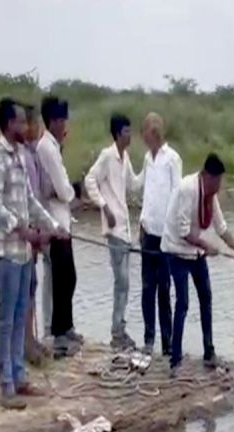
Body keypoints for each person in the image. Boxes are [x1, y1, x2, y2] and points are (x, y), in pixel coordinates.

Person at [0, 98, 68, 409]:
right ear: (9, 124)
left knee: (21, 314)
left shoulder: (22, 155)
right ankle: (6, 383)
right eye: (21, 121)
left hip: (23, 253)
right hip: (7, 252)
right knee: (6, 319)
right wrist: (22, 230)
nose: (26, 126)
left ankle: (20, 377)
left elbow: (31, 201)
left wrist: (53, 226)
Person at [162, 154, 234, 378]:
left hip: (196, 252)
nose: (219, 186)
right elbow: (184, 232)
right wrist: (207, 246)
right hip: (176, 250)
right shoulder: (187, 189)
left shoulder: (210, 197)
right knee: (183, 303)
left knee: (206, 297)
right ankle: (175, 361)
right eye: (217, 180)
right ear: (206, 176)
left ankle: (209, 352)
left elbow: (222, 229)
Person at [84, 114, 140, 351]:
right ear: (118, 134)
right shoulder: (107, 156)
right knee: (122, 280)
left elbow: (133, 184)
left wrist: (151, 166)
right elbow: (90, 180)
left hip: (124, 229)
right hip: (114, 228)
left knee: (124, 282)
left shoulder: (124, 157)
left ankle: (119, 329)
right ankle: (117, 331)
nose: (130, 135)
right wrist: (104, 207)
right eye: (126, 131)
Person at [37, 95, 83, 357]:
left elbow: (62, 189)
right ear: (53, 121)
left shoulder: (54, 146)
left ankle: (66, 326)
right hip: (53, 223)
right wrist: (69, 191)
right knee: (61, 280)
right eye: (63, 119)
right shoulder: (46, 148)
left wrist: (65, 190)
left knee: (69, 277)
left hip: (63, 221)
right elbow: (65, 191)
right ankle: (58, 333)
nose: (65, 124)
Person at [139, 112, 180, 356]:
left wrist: (172, 230)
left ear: (155, 133)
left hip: (165, 235)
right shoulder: (147, 158)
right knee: (147, 288)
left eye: (147, 133)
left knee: (164, 288)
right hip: (148, 231)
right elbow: (145, 189)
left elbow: (176, 194)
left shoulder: (172, 158)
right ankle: (148, 339)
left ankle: (167, 341)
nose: (145, 138)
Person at [20, 104, 50, 363]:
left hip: (35, 230)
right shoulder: (22, 157)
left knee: (31, 285)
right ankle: (25, 342)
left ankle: (30, 339)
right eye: (34, 123)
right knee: (24, 289)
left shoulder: (33, 154)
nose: (38, 128)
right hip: (23, 233)